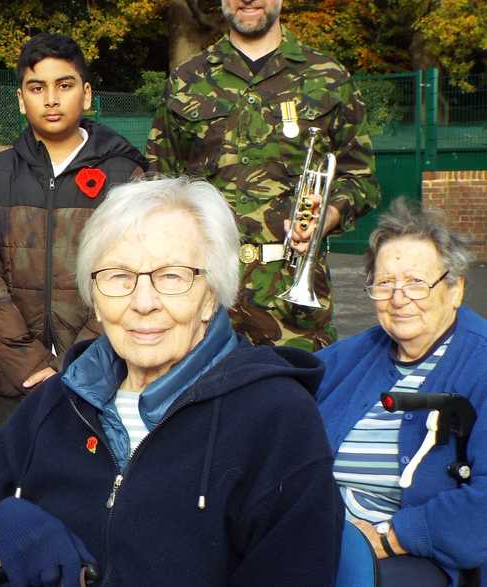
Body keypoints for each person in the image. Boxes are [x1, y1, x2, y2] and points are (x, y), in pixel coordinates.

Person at [0, 177, 342, 587]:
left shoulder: (278, 419)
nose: (143, 302)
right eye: (119, 276)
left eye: (172, 276)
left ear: (212, 295)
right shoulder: (54, 405)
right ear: (95, 298)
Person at [145, 0, 381, 352]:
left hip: (292, 304)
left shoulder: (329, 77)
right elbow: (158, 184)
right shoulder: (186, 80)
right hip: (203, 293)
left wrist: (326, 215)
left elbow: (360, 178)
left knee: (294, 401)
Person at [0, 32, 147, 435]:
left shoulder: (126, 176)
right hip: (16, 381)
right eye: (37, 87)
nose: (50, 99)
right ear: (20, 99)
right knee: (12, 490)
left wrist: (77, 363)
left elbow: (132, 277)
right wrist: (29, 363)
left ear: (85, 95)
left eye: (63, 86)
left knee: (94, 493)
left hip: (101, 377)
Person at [316, 200, 486, 587]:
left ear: (455, 289)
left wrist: (391, 537)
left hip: (417, 557)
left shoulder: (480, 364)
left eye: (415, 282)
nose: (398, 297)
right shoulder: (353, 356)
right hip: (324, 534)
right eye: (384, 283)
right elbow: (281, 384)